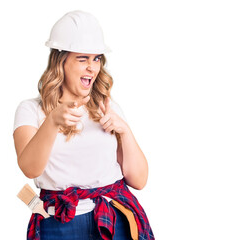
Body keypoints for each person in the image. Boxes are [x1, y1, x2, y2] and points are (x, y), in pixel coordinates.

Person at [13, 10, 154, 240]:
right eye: (83, 59)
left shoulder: (108, 108)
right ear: (61, 61)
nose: (92, 67)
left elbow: (139, 180)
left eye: (96, 58)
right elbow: (30, 168)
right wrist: (52, 122)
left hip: (113, 217)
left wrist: (125, 132)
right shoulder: (30, 110)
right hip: (59, 222)